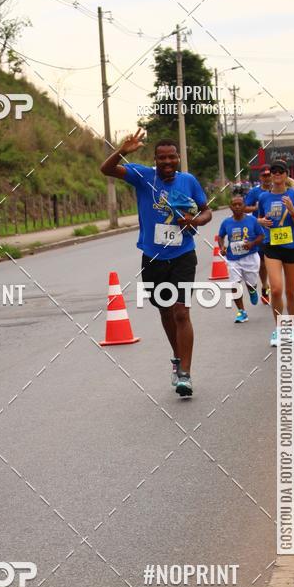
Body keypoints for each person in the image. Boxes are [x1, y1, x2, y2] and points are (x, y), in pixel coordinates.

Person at [100, 129, 212, 398]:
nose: (167, 162)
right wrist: (123, 151)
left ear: (178, 158)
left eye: (171, 157)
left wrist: (196, 221)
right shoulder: (143, 176)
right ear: (155, 159)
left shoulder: (189, 181)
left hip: (183, 254)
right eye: (162, 158)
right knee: (165, 312)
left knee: (181, 312)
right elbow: (106, 169)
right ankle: (177, 357)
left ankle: (185, 373)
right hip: (152, 257)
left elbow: (206, 210)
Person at [257, 159, 294, 347]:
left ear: (286, 175)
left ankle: (291, 327)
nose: (276, 174)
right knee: (276, 289)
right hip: (272, 247)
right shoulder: (263, 198)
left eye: (280, 171)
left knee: (291, 291)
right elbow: (259, 218)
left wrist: (293, 211)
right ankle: (279, 329)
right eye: (273, 171)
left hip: (292, 247)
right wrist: (260, 222)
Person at [218, 195, 265, 323]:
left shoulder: (252, 220)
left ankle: (253, 289)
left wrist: (252, 243)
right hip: (233, 259)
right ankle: (242, 312)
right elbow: (221, 236)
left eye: (240, 204)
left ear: (244, 206)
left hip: (250, 257)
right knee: (235, 285)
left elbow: (261, 236)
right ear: (230, 207)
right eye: (234, 204)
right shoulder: (226, 222)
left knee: (251, 284)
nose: (237, 206)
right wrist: (222, 247)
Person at [244, 165, 272, 304]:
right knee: (262, 263)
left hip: (277, 230)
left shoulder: (278, 189)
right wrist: (256, 207)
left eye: (269, 175)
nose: (267, 177)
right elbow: (244, 207)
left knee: (274, 260)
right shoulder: (255, 192)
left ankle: (276, 285)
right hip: (260, 231)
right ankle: (265, 285)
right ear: (260, 177)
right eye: (264, 175)